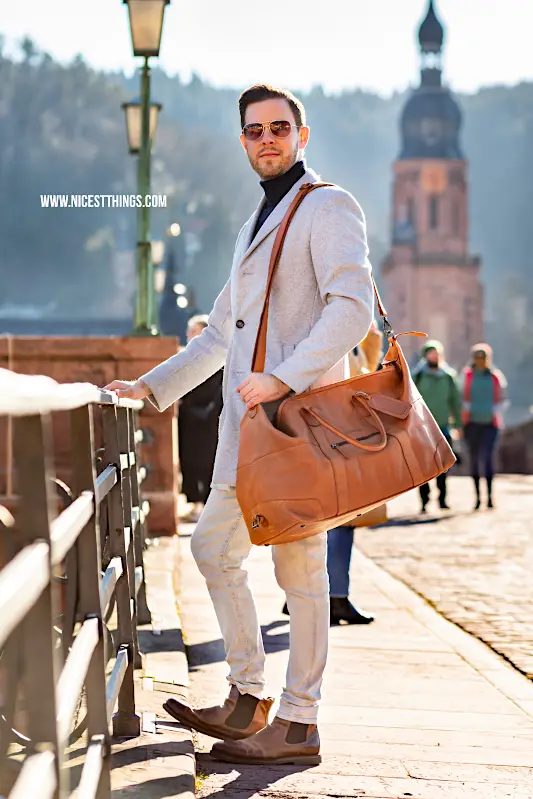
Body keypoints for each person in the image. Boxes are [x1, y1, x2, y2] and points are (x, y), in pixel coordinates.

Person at [105, 83, 374, 766]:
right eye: (254, 131)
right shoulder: (255, 223)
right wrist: (149, 386)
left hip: (295, 430)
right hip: (246, 438)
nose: (266, 139)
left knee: (300, 571)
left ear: (301, 135)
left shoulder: (327, 206)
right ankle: (249, 694)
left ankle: (299, 720)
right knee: (210, 550)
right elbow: (219, 335)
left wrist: (283, 375)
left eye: (278, 128)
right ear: (242, 141)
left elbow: (352, 310)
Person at [281, 320, 383, 625]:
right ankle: (330, 596)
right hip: (329, 435)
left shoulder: (346, 333)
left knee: (326, 519)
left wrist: (369, 334)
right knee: (334, 520)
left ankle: (306, 593)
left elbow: (367, 366)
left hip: (335, 435)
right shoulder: (329, 329)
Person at [178, 315, 223, 523]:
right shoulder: (186, 357)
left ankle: (207, 506)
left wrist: (210, 412)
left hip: (211, 418)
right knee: (190, 461)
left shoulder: (219, 357)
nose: (190, 336)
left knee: (209, 461)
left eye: (194, 332)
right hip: (189, 419)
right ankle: (196, 504)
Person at [412, 340, 462, 513]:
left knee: (443, 465)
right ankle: (424, 501)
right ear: (425, 355)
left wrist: (458, 424)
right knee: (424, 467)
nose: (434, 356)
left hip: (443, 427)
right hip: (422, 428)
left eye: (436, 353)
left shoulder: (448, 376)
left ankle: (442, 499)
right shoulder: (417, 376)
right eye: (431, 353)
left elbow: (455, 401)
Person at [461, 343, 508, 510]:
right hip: (472, 424)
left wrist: (495, 411)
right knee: (474, 460)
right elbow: (461, 397)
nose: (480, 361)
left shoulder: (495, 377)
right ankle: (477, 498)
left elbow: (502, 398)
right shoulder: (467, 376)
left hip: (490, 424)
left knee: (487, 459)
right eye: (477, 358)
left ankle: (489, 497)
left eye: (483, 358)